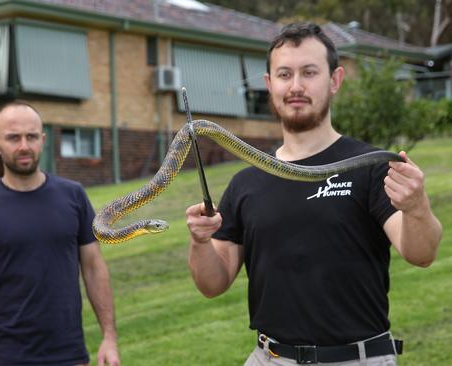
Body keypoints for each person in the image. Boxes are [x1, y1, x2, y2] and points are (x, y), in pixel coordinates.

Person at [185, 23, 442, 366]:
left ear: (335, 80)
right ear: (268, 84)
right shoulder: (245, 184)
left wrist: (416, 207)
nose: (296, 86)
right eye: (284, 74)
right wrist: (200, 242)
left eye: (309, 72)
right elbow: (212, 284)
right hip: (270, 359)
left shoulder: (369, 166)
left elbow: (421, 253)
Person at [0, 102, 120, 366]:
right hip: (8, 354)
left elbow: (93, 267)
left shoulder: (73, 195)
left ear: (42, 140)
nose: (24, 146)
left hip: (69, 353)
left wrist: (109, 337)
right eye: (13, 137)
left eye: (31, 136)